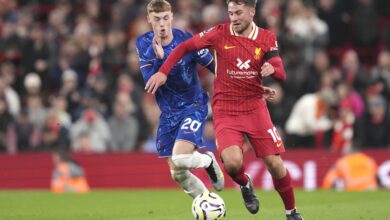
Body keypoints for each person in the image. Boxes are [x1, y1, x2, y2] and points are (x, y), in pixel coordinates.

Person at [145, 0, 303, 219]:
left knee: (275, 165)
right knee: (232, 163)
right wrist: (163, 71)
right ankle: (245, 183)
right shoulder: (219, 33)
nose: (234, 18)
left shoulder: (266, 37)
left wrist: (272, 68)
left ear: (252, 11)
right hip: (226, 109)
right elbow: (185, 47)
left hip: (255, 107)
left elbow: (281, 72)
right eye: (230, 13)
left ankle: (291, 212)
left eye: (238, 13)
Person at [135, 0, 224, 199]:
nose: (162, 23)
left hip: (193, 105)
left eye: (166, 18)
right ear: (149, 19)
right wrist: (158, 59)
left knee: (181, 156)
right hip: (169, 113)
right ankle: (207, 202)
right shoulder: (143, 44)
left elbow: (213, 66)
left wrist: (240, 84)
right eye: (157, 19)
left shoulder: (186, 40)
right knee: (177, 172)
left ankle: (208, 161)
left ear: (172, 17)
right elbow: (150, 83)